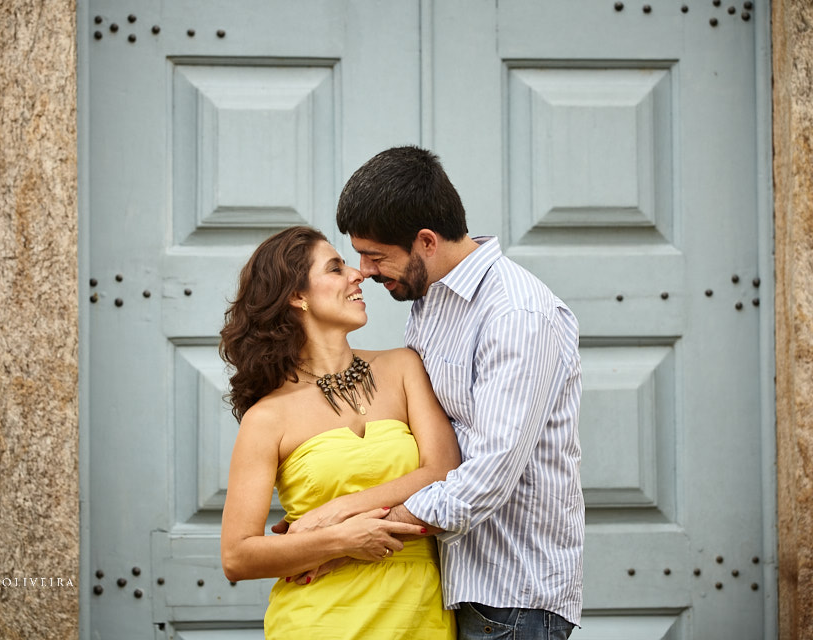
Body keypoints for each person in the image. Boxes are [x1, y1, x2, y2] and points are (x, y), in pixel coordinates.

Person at [333, 146, 585, 639]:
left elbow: (489, 474)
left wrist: (361, 531)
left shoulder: (515, 314)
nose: (362, 270)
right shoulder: (431, 298)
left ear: (426, 241)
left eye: (376, 256)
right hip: (456, 583)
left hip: (511, 599)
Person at [218, 225, 460, 639]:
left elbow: (443, 470)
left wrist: (338, 513)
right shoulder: (268, 418)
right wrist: (342, 540)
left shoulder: (403, 367)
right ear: (297, 296)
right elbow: (237, 556)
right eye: (335, 268)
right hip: (319, 620)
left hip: (421, 615)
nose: (358, 274)